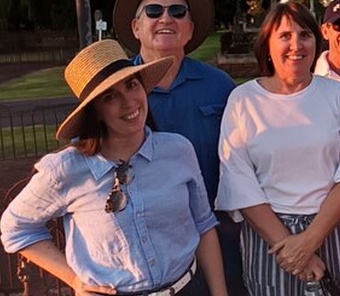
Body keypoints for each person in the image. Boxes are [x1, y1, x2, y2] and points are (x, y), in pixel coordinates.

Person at [0, 40, 228, 296]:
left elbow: (204, 225)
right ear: (95, 111)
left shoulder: (178, 150)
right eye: (110, 97)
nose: (129, 102)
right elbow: (15, 228)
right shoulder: (65, 169)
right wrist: (73, 279)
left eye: (131, 85)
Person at [215, 1, 340, 296]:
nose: (296, 45)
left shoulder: (335, 94)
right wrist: (291, 248)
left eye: (305, 35)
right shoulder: (243, 100)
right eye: (285, 36)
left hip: (333, 226)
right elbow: (239, 181)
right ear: (267, 44)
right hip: (270, 236)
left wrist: (309, 241)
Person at [112, 0, 244, 294]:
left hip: (218, 233)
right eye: (154, 11)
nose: (166, 18)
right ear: (136, 27)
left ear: (190, 28)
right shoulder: (113, 91)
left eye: (178, 11)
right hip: (146, 245)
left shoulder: (220, 86)